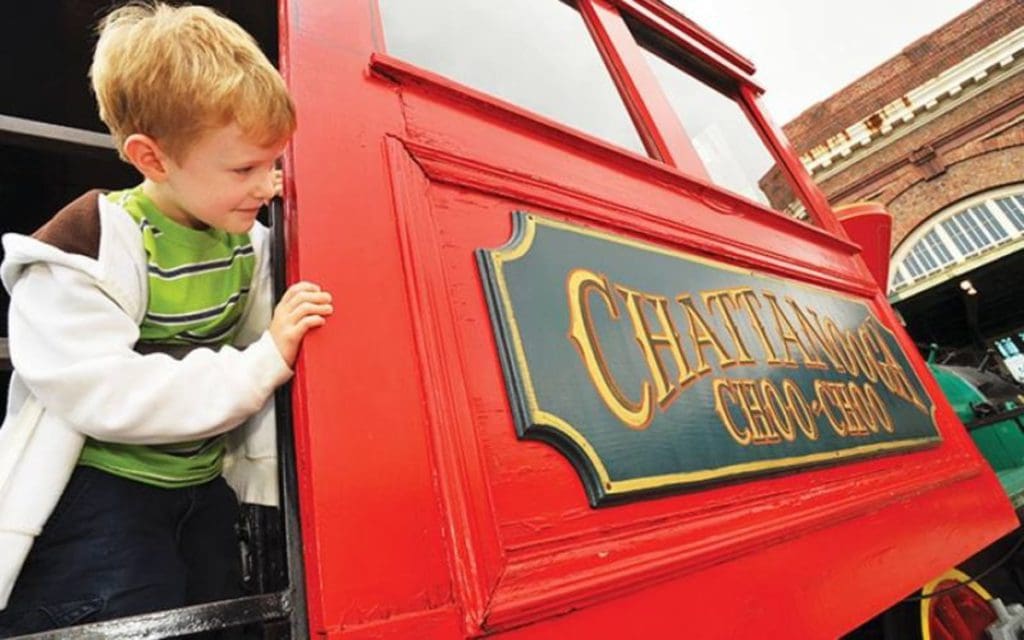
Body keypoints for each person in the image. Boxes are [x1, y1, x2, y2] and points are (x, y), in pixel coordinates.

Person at [0, 3, 331, 635]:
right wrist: (265, 358)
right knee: (122, 619)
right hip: (104, 491)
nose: (269, 185)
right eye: (243, 168)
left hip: (202, 486)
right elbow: (107, 392)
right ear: (152, 158)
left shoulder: (249, 238)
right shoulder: (85, 247)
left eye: (273, 162)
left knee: (220, 620)